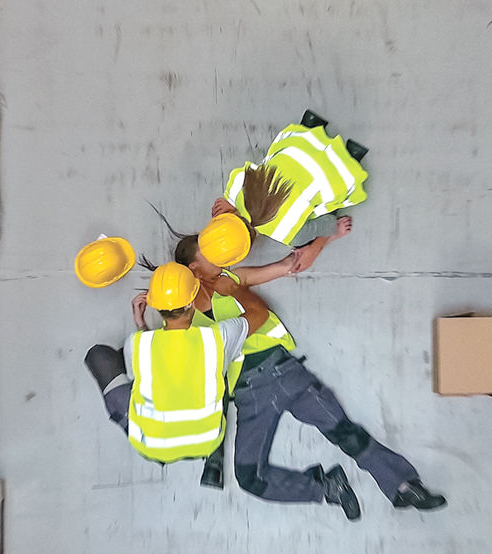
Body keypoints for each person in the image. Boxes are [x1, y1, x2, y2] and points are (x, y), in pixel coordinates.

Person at [170, 235, 447, 521]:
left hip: (286, 373)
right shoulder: (182, 311)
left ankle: (404, 487)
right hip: (249, 394)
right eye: (208, 252)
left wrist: (327, 236)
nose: (220, 251)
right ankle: (327, 488)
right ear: (193, 267)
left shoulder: (233, 277)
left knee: (345, 432)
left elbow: (286, 267)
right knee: (249, 476)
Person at [83, 262, 363, 514]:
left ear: (155, 306)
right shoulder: (217, 339)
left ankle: (321, 489)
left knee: (100, 356)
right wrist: (236, 290)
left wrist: (141, 324)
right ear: (192, 302)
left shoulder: (138, 344)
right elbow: (259, 314)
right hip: (208, 437)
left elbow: (146, 371)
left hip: (154, 447)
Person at [202, 110, 365, 272]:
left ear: (248, 247)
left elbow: (328, 223)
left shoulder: (288, 234)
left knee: (321, 209)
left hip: (335, 172)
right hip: (297, 144)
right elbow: (240, 174)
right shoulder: (236, 187)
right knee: (273, 161)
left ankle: (351, 156)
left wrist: (334, 230)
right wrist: (230, 201)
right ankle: (311, 125)